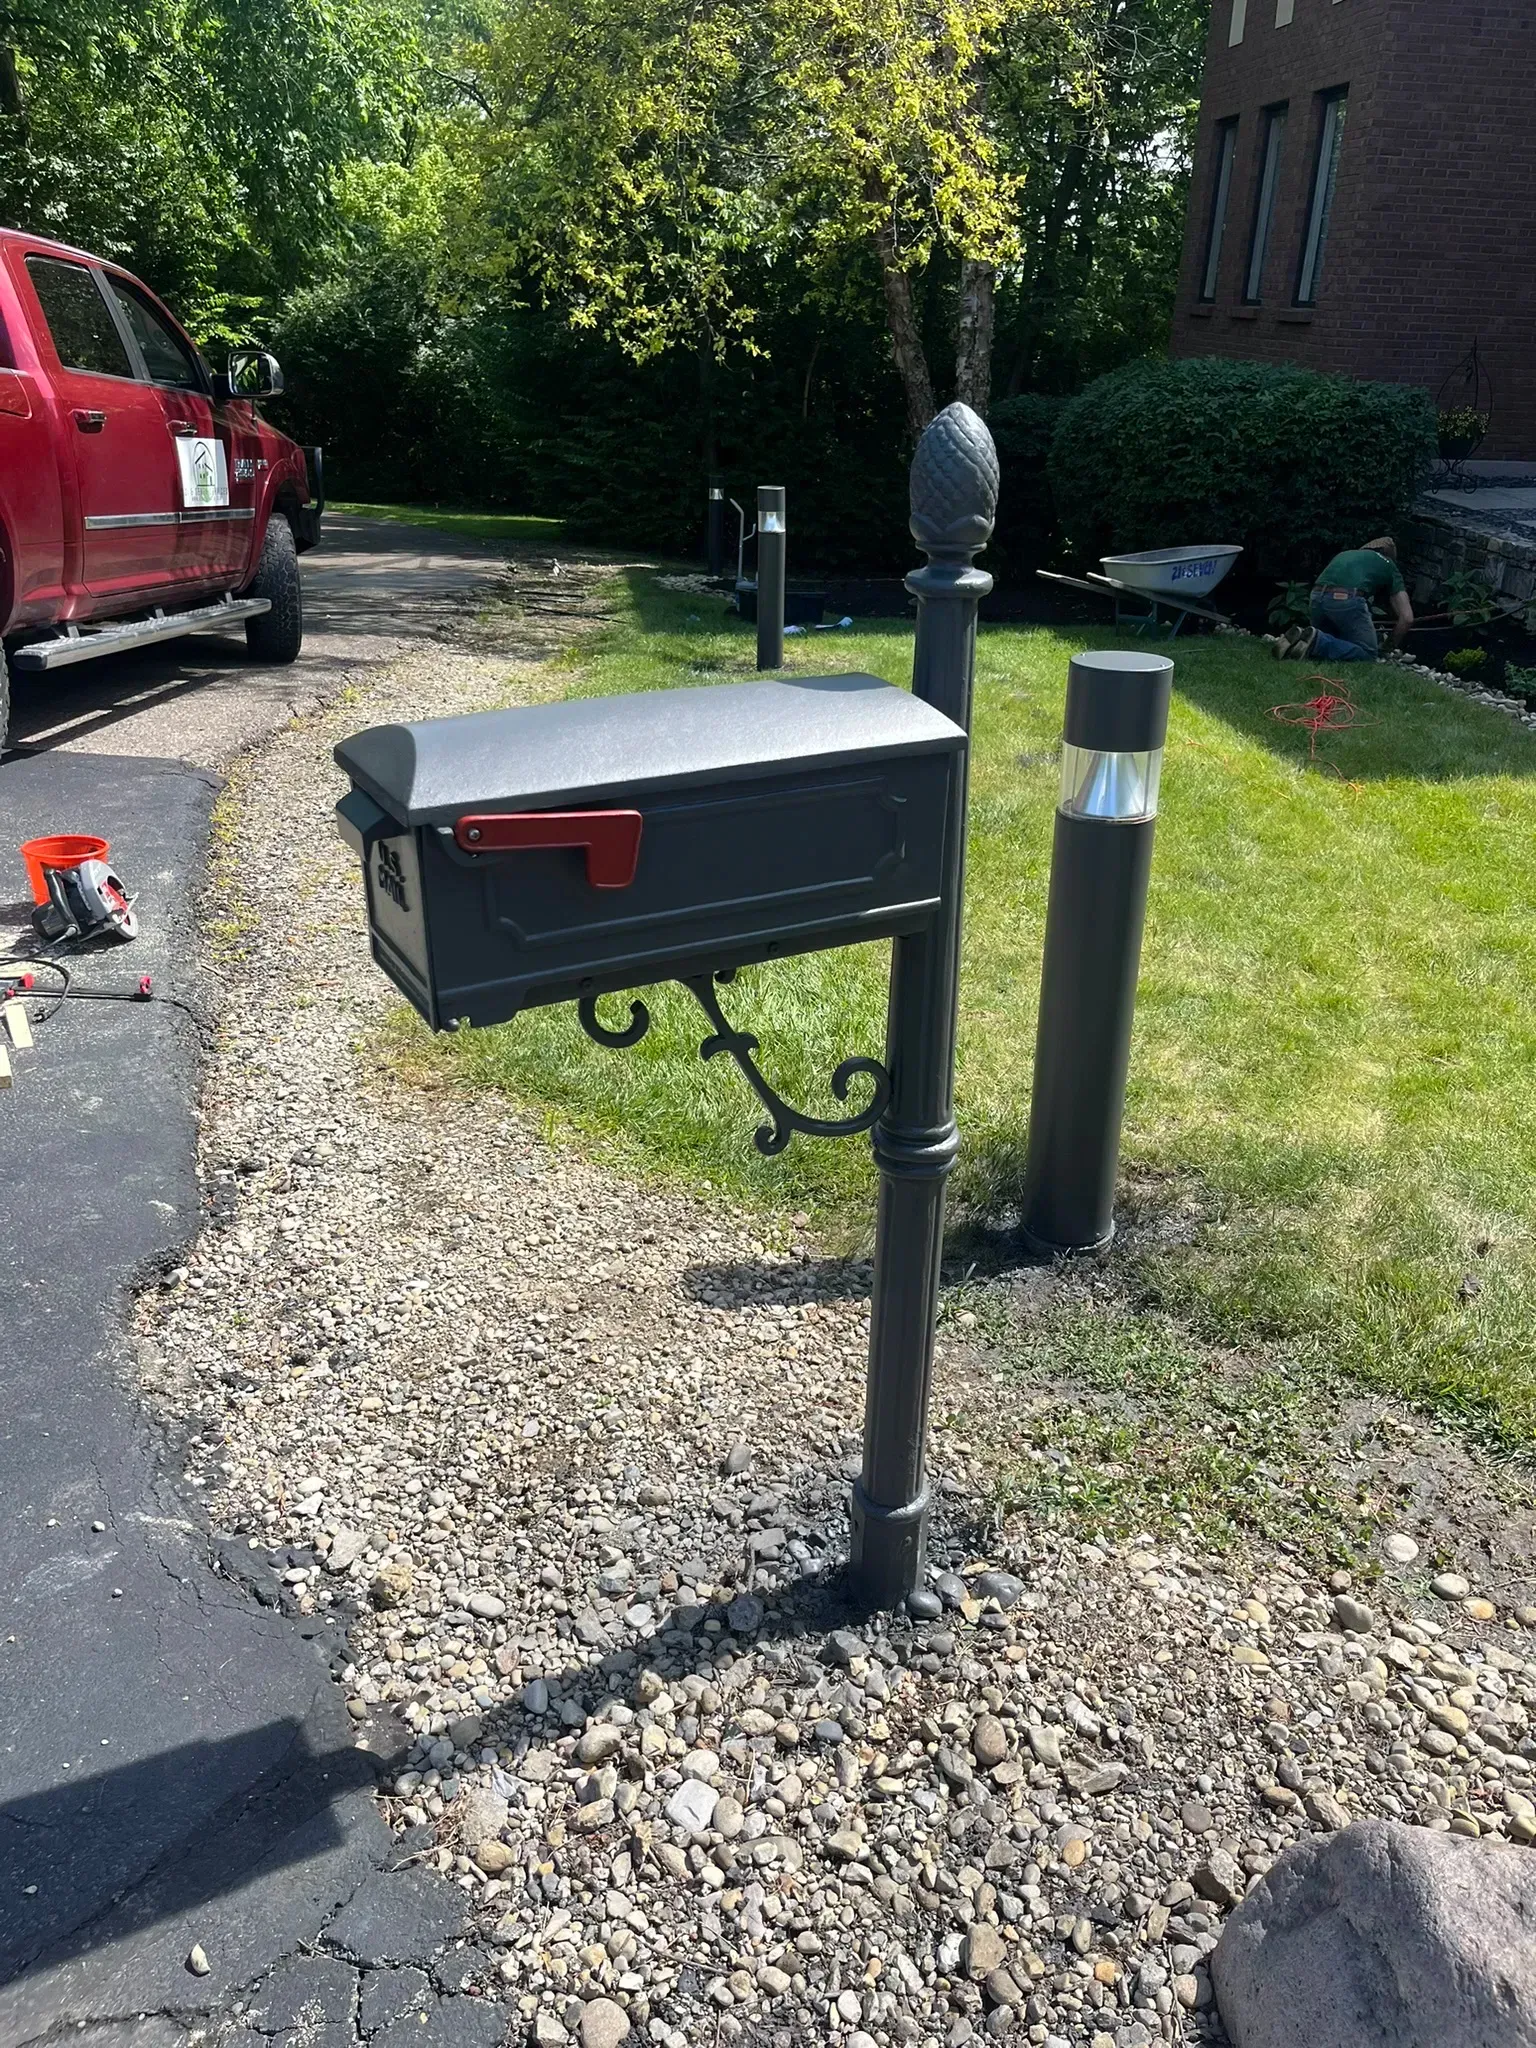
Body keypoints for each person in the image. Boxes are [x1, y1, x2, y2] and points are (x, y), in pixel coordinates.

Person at [1269, 537, 1414, 661]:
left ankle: (1300, 638)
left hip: (1316, 597)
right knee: (1368, 654)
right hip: (1346, 599)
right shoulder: (1389, 565)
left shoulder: (1346, 554)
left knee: (1335, 640)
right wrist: (1388, 646)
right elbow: (1407, 618)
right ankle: (1317, 642)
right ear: (1387, 555)